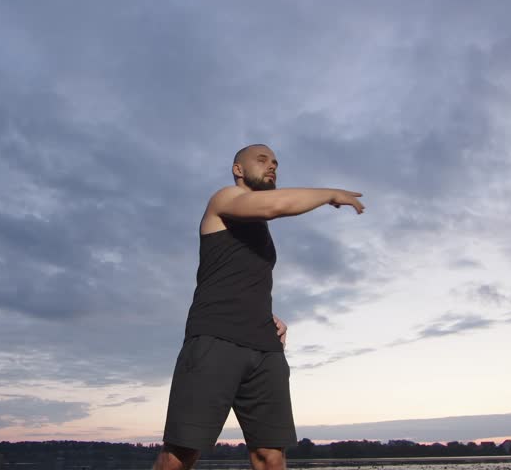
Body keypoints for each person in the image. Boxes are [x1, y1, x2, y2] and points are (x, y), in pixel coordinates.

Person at [154, 144, 365, 470]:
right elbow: (275, 206)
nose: (272, 166)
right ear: (238, 169)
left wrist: (265, 316)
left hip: (265, 348)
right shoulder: (223, 199)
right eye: (262, 160)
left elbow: (242, 278)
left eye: (276, 162)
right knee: (179, 456)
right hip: (215, 339)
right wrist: (330, 193)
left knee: (271, 456)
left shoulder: (258, 229)